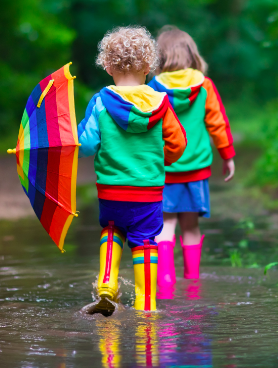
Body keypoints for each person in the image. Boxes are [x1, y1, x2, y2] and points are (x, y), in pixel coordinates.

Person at [78, 26, 187, 315]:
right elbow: (178, 144)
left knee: (112, 230)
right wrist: (160, 161)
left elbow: (87, 145)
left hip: (112, 189)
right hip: (148, 190)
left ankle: (106, 286)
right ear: (148, 67)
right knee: (145, 241)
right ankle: (146, 303)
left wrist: (80, 131)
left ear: (109, 66)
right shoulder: (161, 103)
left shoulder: (100, 102)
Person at [148, 26, 236, 291]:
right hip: (197, 169)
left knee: (166, 225)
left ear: (159, 58)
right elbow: (217, 122)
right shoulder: (205, 86)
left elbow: (147, 127)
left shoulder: (153, 88)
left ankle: (164, 282)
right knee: (190, 226)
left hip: (165, 168)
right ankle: (193, 283)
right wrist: (227, 155)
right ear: (191, 54)